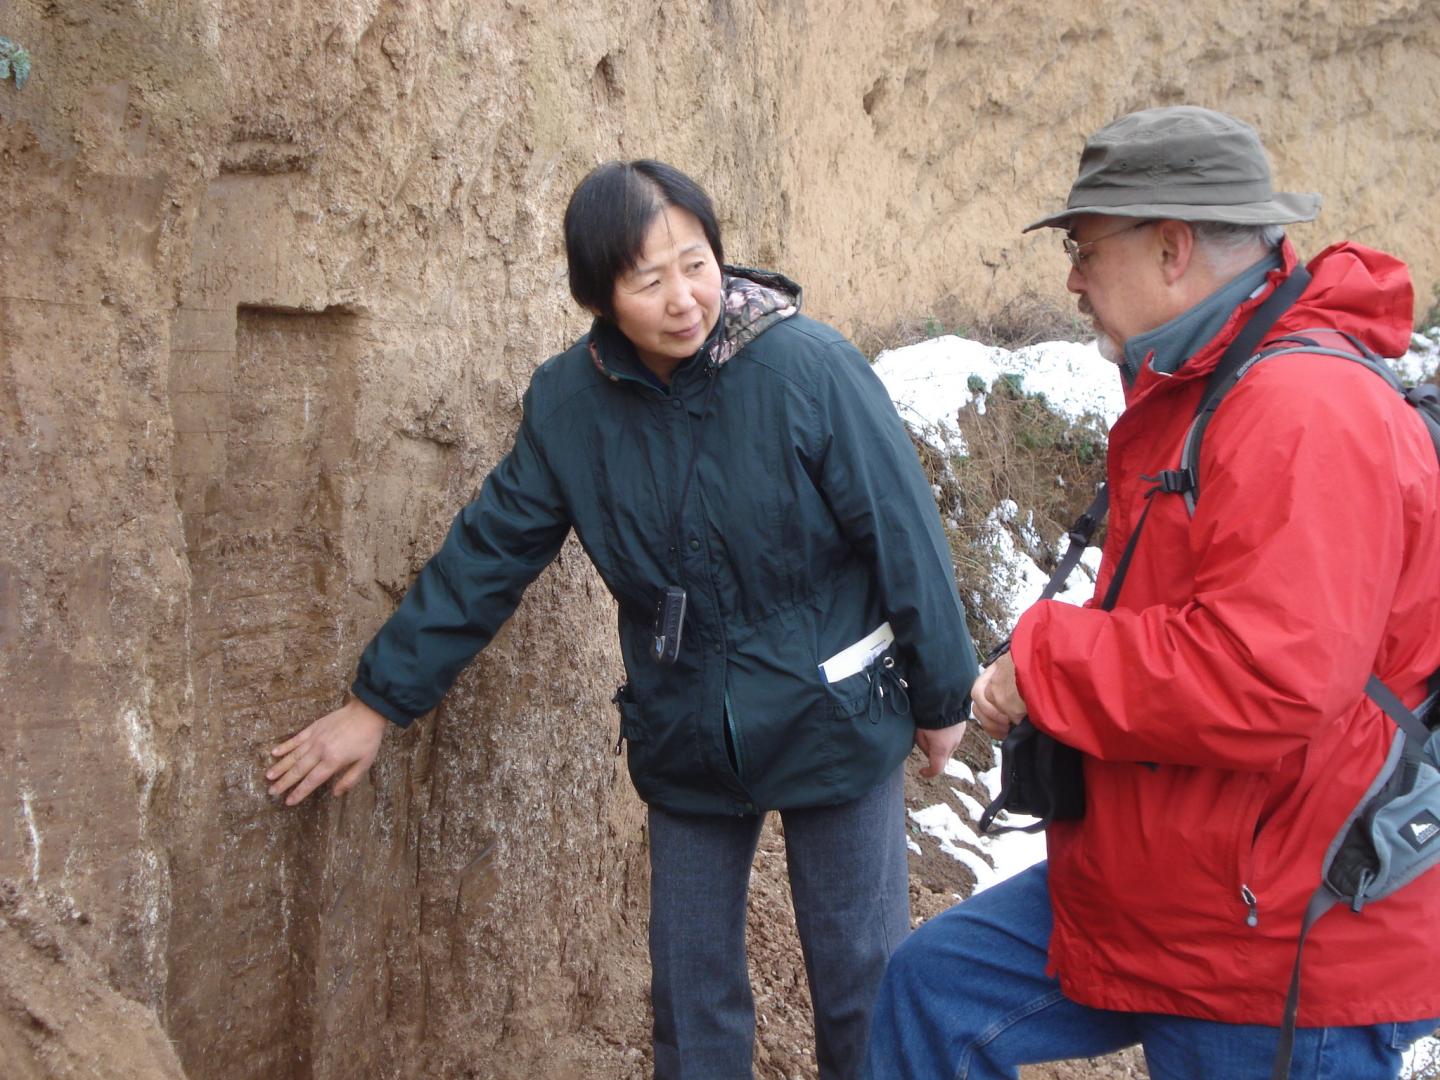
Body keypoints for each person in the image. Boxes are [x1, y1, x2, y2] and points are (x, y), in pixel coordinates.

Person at [264, 159, 980, 1080]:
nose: (684, 298)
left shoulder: (809, 369)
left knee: (861, 981)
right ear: (599, 293)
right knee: (690, 998)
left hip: (832, 709)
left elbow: (903, 533)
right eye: (649, 279)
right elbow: (486, 557)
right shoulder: (571, 406)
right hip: (683, 719)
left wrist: (942, 691)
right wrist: (377, 702)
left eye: (696, 263)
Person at [865, 107, 1440, 1079]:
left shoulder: (1303, 412)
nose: (1073, 280)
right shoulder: (1205, 390)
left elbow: (1264, 679)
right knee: (937, 990)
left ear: (1172, 247)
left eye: (1088, 249)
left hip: (1280, 923)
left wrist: (1045, 663)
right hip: (1180, 876)